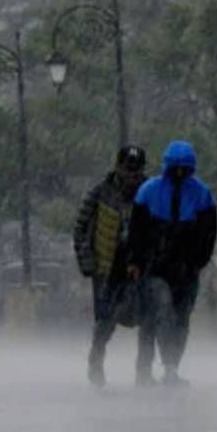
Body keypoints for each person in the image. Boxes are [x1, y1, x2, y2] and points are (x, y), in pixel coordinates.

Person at [126, 140, 217, 387]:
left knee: (182, 319)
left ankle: (171, 367)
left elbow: (209, 232)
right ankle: (159, 367)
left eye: (184, 169)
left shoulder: (202, 194)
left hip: (187, 269)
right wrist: (135, 261)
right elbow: (136, 230)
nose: (179, 174)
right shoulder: (149, 191)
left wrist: (200, 260)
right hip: (154, 268)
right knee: (162, 312)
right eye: (175, 168)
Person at [73, 144, 149, 388]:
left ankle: (144, 371)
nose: (132, 175)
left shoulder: (150, 193)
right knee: (105, 320)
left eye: (137, 170)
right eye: (128, 169)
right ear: (118, 167)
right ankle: (96, 360)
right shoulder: (99, 193)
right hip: (107, 268)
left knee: (148, 320)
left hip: (141, 266)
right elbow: (81, 227)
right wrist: (88, 262)